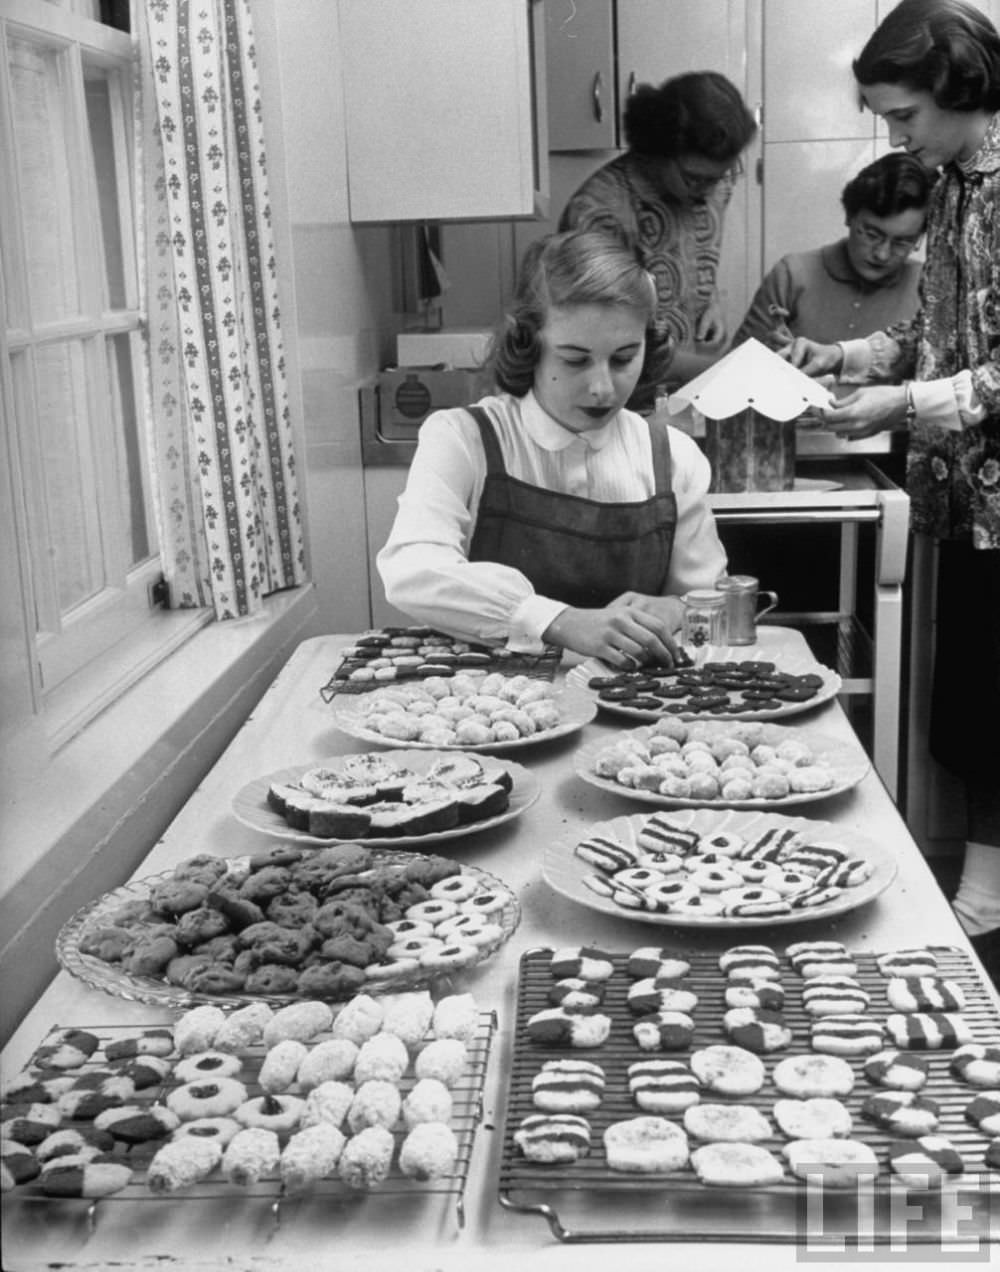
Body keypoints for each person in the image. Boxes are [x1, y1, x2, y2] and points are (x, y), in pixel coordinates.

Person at [782, 0, 1000, 965]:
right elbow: (940, 332)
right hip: (967, 491)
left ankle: (983, 903)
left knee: (993, 696)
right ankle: (981, 893)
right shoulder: (952, 187)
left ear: (958, 85)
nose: (893, 133)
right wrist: (852, 356)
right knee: (973, 697)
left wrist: (904, 404)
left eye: (902, 113)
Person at [377, 229, 727, 669]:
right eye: (575, 359)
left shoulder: (673, 458)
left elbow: (711, 600)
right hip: (493, 711)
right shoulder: (463, 439)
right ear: (528, 346)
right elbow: (413, 568)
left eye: (623, 358)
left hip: (631, 713)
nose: (602, 387)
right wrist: (557, 620)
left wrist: (677, 609)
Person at [558, 71, 757, 401]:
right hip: (616, 407)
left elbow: (693, 259)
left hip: (688, 399)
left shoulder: (715, 186)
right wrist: (722, 369)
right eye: (695, 178)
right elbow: (605, 343)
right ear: (657, 151)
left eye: (721, 177)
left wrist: (711, 303)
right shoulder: (597, 213)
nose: (708, 192)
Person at [731, 152, 933, 351]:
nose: (882, 254)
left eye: (903, 242)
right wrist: (769, 357)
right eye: (872, 234)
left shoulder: (928, 288)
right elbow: (734, 369)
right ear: (849, 216)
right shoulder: (793, 276)